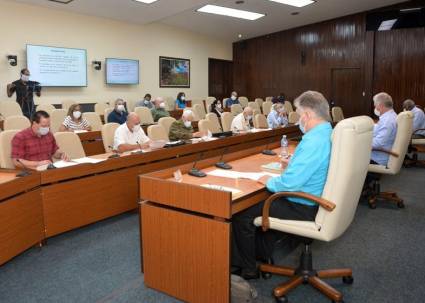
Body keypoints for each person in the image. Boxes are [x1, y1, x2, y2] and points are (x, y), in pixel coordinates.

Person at [231, 91, 332, 279]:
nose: (298, 119)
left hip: (303, 205)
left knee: (241, 212)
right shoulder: (326, 132)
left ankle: (248, 268)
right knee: (260, 204)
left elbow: (289, 183)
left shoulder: (313, 140)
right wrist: (293, 163)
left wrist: (266, 179)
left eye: (299, 114)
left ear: (308, 115)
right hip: (314, 199)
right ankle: (263, 254)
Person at [371, 92, 397, 166]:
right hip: (383, 153)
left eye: (375, 105)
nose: (374, 106)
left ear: (380, 106)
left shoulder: (387, 121)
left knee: (347, 151)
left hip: (377, 158)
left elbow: (377, 144)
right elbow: (380, 128)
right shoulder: (391, 115)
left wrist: (359, 143)